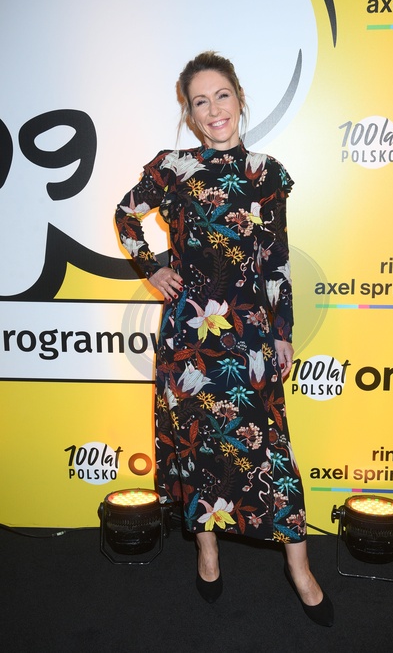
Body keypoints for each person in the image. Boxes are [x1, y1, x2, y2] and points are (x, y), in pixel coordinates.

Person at [115, 51, 333, 627]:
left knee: (273, 452)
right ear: (189, 115)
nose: (214, 110)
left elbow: (275, 259)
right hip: (189, 334)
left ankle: (300, 570)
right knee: (199, 446)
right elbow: (125, 215)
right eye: (200, 102)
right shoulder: (174, 168)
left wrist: (282, 332)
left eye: (222, 96)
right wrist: (153, 267)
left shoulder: (266, 173)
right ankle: (207, 552)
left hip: (248, 333)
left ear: (239, 97)